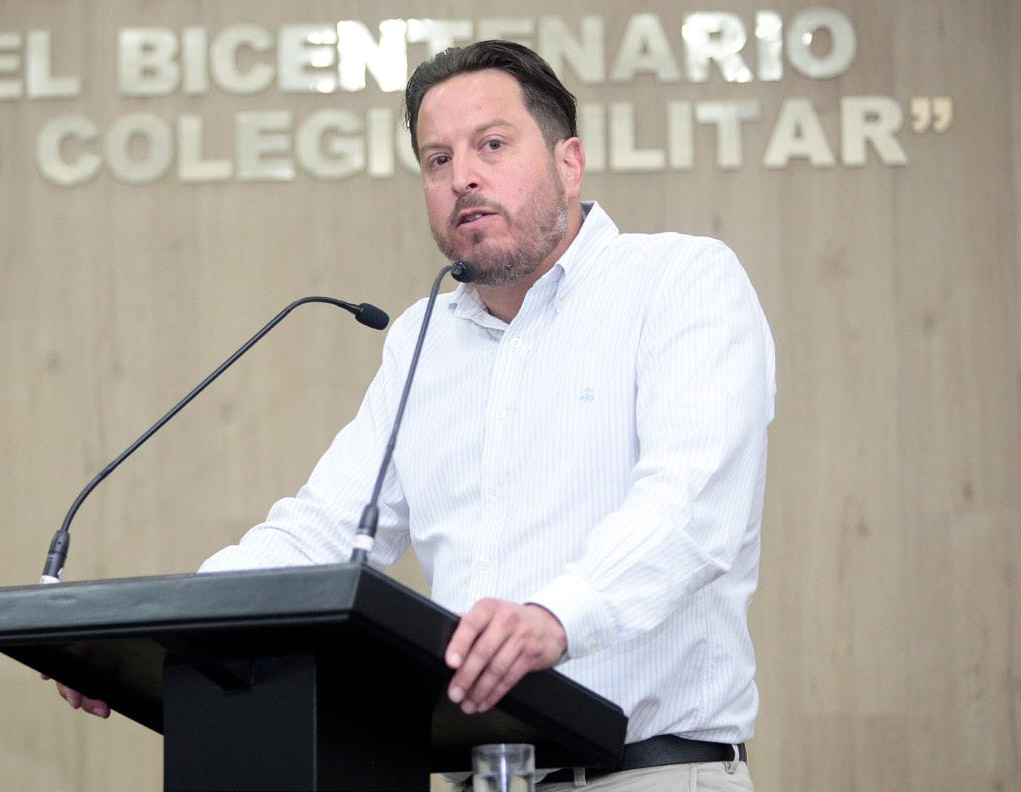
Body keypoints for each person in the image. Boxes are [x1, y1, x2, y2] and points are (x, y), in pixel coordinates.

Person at [52, 40, 774, 792]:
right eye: (437, 159)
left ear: (569, 163)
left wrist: (554, 617)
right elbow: (323, 532)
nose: (462, 177)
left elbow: (690, 507)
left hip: (646, 774)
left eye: (491, 145)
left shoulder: (679, 282)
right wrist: (161, 632)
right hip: (478, 776)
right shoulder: (421, 338)